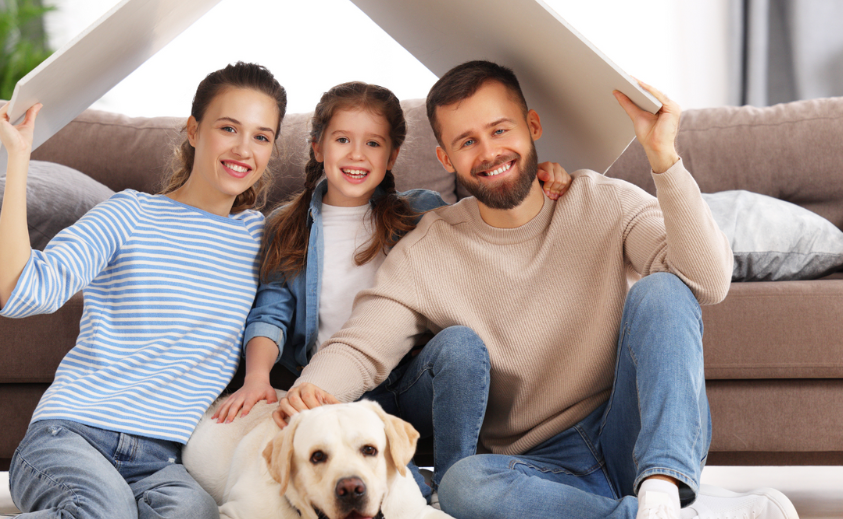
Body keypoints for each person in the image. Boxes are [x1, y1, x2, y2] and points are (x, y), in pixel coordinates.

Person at [274, 61, 799, 519]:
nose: (488, 152)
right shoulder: (428, 248)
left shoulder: (604, 202)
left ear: (532, 127)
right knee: (461, 484)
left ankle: (662, 494)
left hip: (629, 436)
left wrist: (663, 157)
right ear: (444, 159)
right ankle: (665, 515)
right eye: (467, 142)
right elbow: (364, 343)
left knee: (664, 290)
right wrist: (305, 397)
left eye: (500, 130)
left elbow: (707, 281)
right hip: (535, 471)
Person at [0, 62, 286, 519]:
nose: (243, 148)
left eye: (261, 136)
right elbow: (23, 291)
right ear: (194, 131)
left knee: (195, 514)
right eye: (229, 128)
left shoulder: (262, 238)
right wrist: (19, 160)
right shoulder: (129, 214)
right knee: (103, 513)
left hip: (163, 460)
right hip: (72, 435)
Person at [210, 81, 573, 501]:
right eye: (343, 140)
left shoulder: (422, 211)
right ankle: (421, 489)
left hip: (412, 380)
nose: (357, 155)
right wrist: (257, 378)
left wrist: (540, 177)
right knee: (398, 495)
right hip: (341, 392)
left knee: (460, 344)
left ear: (393, 155)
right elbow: (269, 314)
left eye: (374, 143)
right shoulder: (285, 225)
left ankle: (459, 478)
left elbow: (492, 207)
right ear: (317, 148)